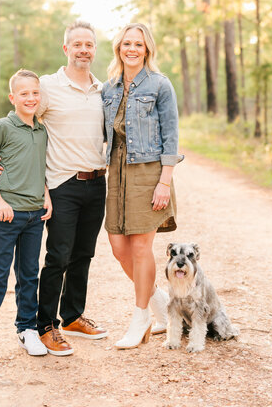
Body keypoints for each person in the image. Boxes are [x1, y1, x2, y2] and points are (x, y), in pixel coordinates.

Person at [0, 21, 108, 356]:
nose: (84, 49)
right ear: (66, 49)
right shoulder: (48, 86)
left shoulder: (103, 89)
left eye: (89, 44)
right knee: (58, 255)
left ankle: (72, 316)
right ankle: (46, 326)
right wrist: (2, 152)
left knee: (84, 254)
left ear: (94, 49)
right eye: (77, 44)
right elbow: (22, 117)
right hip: (62, 183)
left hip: (96, 181)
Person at [102, 23, 183, 349]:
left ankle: (140, 318)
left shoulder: (160, 85)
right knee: (119, 249)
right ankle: (162, 305)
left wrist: (164, 181)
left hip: (149, 173)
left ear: (147, 49)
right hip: (117, 173)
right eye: (126, 43)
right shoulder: (108, 87)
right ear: (119, 48)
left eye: (138, 44)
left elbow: (171, 137)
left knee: (140, 249)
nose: (131, 49)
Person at [0, 69, 52, 362]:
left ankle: (27, 329)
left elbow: (38, 168)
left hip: (34, 216)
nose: (30, 98)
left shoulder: (41, 130)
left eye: (35, 93)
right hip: (6, 216)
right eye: (24, 93)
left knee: (29, 274)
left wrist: (47, 195)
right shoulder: (2, 126)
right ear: (12, 97)